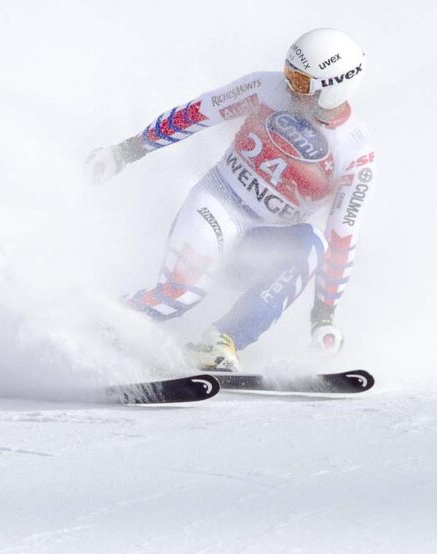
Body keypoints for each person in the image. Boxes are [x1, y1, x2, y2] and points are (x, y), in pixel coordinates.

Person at [86, 28, 377, 371]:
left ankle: (220, 341)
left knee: (312, 244)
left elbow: (342, 237)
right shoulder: (264, 88)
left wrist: (324, 317)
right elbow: (196, 114)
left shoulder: (355, 152)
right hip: (218, 206)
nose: (288, 87)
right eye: (288, 73)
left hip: (259, 246)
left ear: (332, 88)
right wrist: (124, 152)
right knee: (181, 296)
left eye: (299, 82)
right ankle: (100, 326)